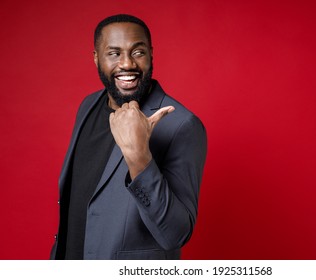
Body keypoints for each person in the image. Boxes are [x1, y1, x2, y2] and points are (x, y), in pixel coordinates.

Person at [50, 14, 207, 260]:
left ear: (151, 54)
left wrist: (139, 157)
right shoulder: (88, 106)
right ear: (96, 58)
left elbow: (175, 234)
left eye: (138, 52)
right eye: (114, 53)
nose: (127, 64)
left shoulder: (181, 125)